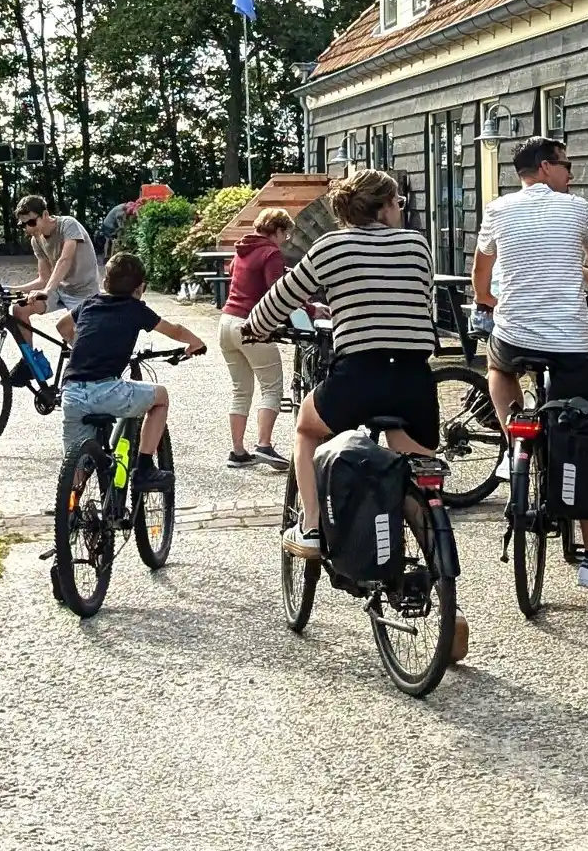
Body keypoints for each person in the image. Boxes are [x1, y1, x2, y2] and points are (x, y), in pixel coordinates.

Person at [471, 134, 588, 598]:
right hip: (568, 343)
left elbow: (481, 275)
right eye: (566, 165)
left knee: (499, 367)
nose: (572, 173)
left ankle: (514, 438)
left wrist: (489, 301)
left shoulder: (497, 210)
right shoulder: (577, 210)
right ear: (545, 167)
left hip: (514, 336)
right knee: (586, 437)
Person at [244, 169, 437, 560]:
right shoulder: (417, 245)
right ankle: (442, 576)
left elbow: (282, 297)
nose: (400, 209)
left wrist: (255, 328)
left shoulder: (331, 247)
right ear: (383, 208)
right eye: (397, 203)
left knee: (306, 427)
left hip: (359, 377)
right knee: (413, 465)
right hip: (415, 380)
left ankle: (312, 527)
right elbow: (423, 298)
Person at [61, 251, 206, 480]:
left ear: (105, 282)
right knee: (161, 396)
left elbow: (62, 326)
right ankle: (145, 466)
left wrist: (79, 343)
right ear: (140, 288)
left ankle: (70, 509)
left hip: (71, 393)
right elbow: (175, 330)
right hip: (106, 391)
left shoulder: (89, 303)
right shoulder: (136, 309)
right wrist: (195, 343)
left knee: (77, 467)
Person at [218, 208, 294, 471]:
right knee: (271, 387)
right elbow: (279, 293)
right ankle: (264, 444)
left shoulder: (242, 251)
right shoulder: (271, 252)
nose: (286, 239)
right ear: (278, 230)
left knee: (241, 390)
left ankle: (238, 451)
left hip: (226, 322)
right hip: (250, 325)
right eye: (286, 233)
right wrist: (307, 310)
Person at [11, 196, 101, 366]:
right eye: (22, 225)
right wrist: (13, 289)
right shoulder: (36, 240)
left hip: (85, 293)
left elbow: (65, 259)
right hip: (60, 290)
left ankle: (94, 365)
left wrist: (47, 290)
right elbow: (43, 278)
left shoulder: (68, 224)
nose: (27, 229)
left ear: (45, 215)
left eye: (30, 223)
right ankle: (30, 363)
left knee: (81, 341)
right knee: (19, 309)